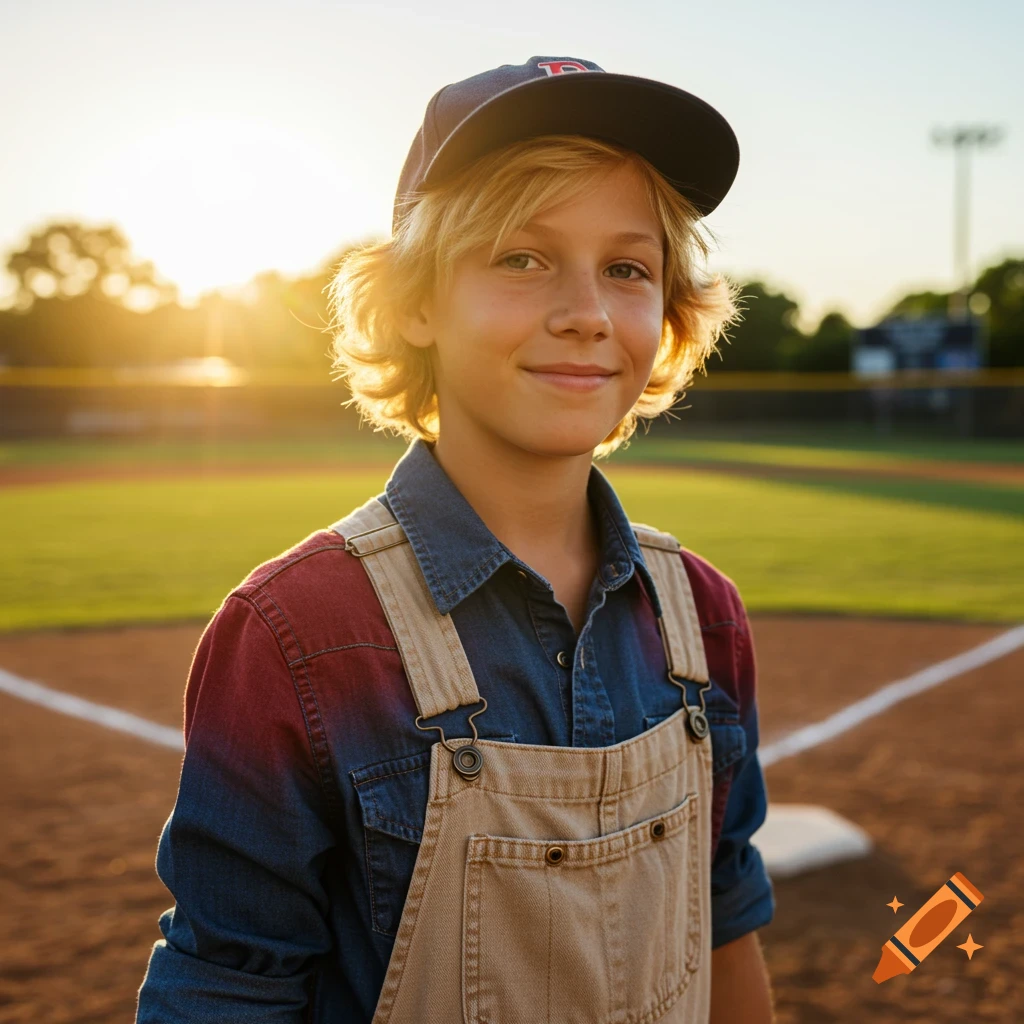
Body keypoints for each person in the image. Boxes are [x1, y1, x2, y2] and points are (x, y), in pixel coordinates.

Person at [136, 55, 776, 1024]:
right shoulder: (296, 634)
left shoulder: (703, 616)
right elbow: (229, 986)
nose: (587, 314)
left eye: (627, 268)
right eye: (521, 257)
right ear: (415, 302)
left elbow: (722, 918)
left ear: (671, 309)